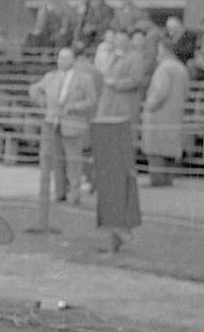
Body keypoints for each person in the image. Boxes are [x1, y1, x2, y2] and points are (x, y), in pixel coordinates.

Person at [28, 47, 98, 207]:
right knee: (56, 161)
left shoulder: (84, 78)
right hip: (53, 123)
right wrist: (43, 102)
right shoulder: (50, 77)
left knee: (73, 162)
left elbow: (91, 100)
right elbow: (33, 89)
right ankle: (59, 193)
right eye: (60, 58)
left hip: (73, 124)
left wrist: (75, 107)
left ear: (73, 60)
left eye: (65, 58)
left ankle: (74, 195)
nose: (61, 61)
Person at [142, 39, 189, 187]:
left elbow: (160, 92)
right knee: (168, 157)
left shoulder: (164, 68)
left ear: (163, 50)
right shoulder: (181, 68)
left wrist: (148, 105)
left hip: (158, 120)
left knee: (156, 156)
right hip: (174, 119)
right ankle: (166, 183)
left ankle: (157, 184)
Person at [96, 29, 147, 133]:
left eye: (123, 40)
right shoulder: (111, 56)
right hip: (107, 103)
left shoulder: (136, 58)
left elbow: (136, 80)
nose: (119, 42)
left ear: (129, 41)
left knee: (123, 137)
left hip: (125, 105)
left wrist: (116, 83)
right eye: (117, 39)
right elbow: (104, 74)